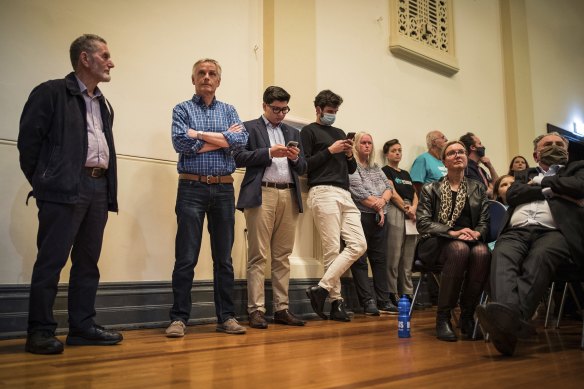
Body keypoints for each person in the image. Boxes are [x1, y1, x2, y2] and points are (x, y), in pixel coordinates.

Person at [17, 34, 122, 354]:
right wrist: (46, 181)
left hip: (98, 188)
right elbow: (28, 145)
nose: (111, 62)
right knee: (51, 261)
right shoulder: (50, 93)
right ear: (84, 59)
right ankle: (40, 331)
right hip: (64, 189)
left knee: (88, 262)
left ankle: (82, 326)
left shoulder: (104, 103)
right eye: (104, 55)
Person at [476, 132, 584, 356]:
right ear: (536, 154)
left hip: (554, 232)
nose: (554, 146)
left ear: (567, 151)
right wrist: (554, 189)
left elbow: (577, 187)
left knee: (541, 257)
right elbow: (513, 194)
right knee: (502, 255)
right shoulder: (523, 173)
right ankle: (512, 322)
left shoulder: (577, 169)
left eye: (559, 144)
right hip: (516, 231)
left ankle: (506, 323)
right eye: (548, 144)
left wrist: (540, 184)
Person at [167, 58, 249, 337]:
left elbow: (240, 143)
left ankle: (226, 317)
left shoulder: (229, 110)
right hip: (191, 188)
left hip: (224, 189)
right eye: (201, 73)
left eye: (212, 73)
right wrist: (222, 138)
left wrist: (198, 134)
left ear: (218, 80)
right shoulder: (182, 109)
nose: (206, 77)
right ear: (193, 79)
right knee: (186, 257)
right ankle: (179, 318)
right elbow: (181, 142)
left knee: (223, 259)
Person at [233, 86, 307, 329]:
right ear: (264, 106)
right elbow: (238, 157)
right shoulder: (249, 127)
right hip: (261, 192)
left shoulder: (292, 131)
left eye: (284, 109)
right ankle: (256, 309)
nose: (280, 114)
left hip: (288, 194)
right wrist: (268, 153)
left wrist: (295, 158)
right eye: (276, 109)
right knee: (258, 255)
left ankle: (282, 308)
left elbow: (303, 166)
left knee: (283, 256)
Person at [301, 90, 367, 322]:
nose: (333, 115)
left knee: (359, 244)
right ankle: (337, 304)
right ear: (318, 109)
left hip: (344, 192)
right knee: (331, 250)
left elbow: (350, 170)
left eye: (336, 111)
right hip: (322, 191)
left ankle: (320, 289)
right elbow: (304, 165)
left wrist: (349, 154)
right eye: (330, 111)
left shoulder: (339, 133)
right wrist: (330, 150)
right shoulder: (308, 131)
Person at [416, 141, 491, 342]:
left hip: (470, 240)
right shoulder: (431, 188)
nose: (457, 155)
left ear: (467, 157)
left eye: (461, 152)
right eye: (451, 153)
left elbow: (484, 221)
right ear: (444, 161)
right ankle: (443, 318)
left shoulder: (477, 187)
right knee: (459, 250)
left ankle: (467, 316)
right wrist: (452, 232)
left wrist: (477, 233)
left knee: (482, 252)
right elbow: (423, 223)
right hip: (435, 242)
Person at [348, 132, 393, 316]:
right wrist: (379, 206)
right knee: (360, 260)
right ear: (356, 145)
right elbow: (359, 192)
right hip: (361, 216)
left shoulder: (376, 167)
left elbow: (389, 187)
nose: (367, 146)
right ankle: (367, 302)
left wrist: (382, 203)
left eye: (370, 143)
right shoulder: (352, 167)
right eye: (363, 142)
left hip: (379, 217)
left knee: (380, 259)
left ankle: (384, 300)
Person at [382, 139, 418, 309]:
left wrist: (415, 208)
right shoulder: (386, 171)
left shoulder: (406, 173)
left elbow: (415, 193)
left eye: (400, 150)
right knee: (394, 253)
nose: (397, 153)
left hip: (411, 212)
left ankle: (407, 293)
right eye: (394, 150)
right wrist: (406, 209)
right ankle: (392, 292)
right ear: (387, 154)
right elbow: (392, 193)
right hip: (397, 210)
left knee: (408, 255)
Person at [459, 132, 499, 198]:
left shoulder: (480, 169)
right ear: (473, 147)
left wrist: (490, 167)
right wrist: (491, 190)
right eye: (480, 144)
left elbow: (497, 186)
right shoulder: (466, 169)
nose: (483, 146)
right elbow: (479, 193)